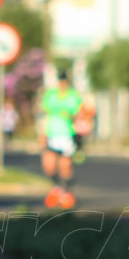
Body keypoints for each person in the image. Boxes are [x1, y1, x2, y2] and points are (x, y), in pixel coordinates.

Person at [39, 70, 83, 209]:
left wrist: (70, 116)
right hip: (52, 134)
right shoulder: (51, 95)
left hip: (67, 135)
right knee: (49, 165)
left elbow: (78, 115)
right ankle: (57, 188)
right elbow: (44, 114)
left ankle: (66, 193)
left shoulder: (73, 96)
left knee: (65, 166)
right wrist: (42, 134)